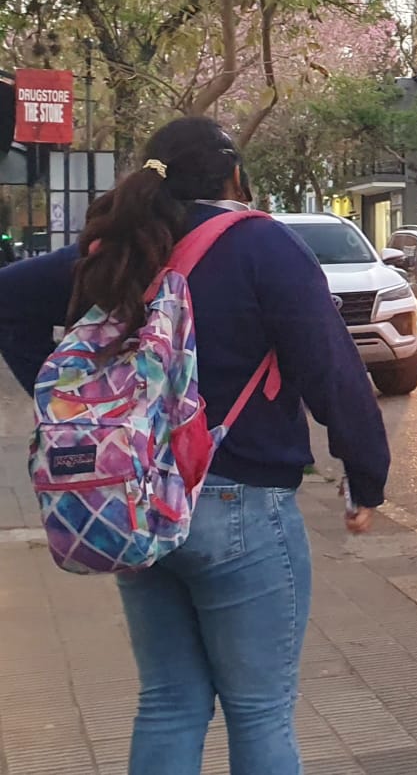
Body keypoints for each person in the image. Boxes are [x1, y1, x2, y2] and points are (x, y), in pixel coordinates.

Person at [0, 117, 390, 775]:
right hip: (240, 504)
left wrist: (63, 400)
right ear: (233, 175)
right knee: (260, 710)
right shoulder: (264, 246)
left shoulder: (119, 249)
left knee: (169, 703)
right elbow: (329, 366)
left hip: (138, 503)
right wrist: (365, 475)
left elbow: (9, 295)